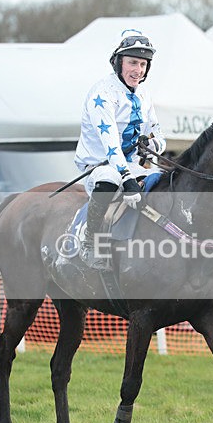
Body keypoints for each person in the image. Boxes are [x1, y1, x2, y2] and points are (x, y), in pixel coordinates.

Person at [74, 29, 167, 270]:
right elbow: (111, 145)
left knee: (164, 181)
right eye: (133, 63)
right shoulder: (102, 94)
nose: (139, 70)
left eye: (143, 64)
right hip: (99, 165)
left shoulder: (144, 94)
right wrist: (127, 179)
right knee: (110, 179)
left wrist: (151, 144)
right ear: (118, 63)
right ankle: (90, 241)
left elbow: (159, 135)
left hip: (131, 164)